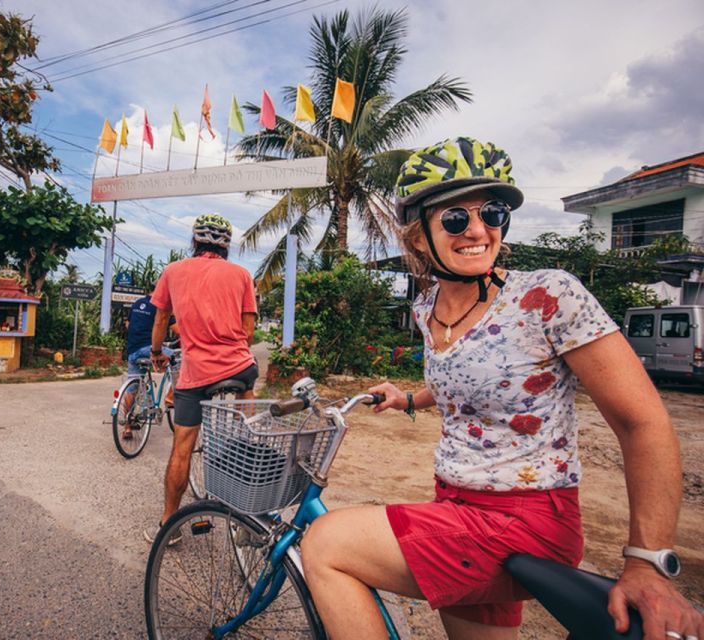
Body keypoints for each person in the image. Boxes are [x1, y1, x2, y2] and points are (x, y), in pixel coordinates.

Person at [300, 137, 702, 640]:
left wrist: (647, 563)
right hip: (456, 507)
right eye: (455, 218)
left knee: (326, 543)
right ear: (419, 237)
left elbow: (642, 422)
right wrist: (409, 399)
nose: (477, 230)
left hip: (525, 520)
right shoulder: (426, 308)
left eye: (492, 213)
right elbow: (468, 379)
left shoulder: (547, 295)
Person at [143, 213, 258, 544]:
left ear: (195, 240)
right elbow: (248, 331)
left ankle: (170, 525)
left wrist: (157, 352)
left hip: (198, 374)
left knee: (182, 447)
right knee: (244, 427)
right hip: (240, 368)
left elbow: (161, 319)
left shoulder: (173, 271)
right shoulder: (242, 275)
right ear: (226, 245)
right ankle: (244, 445)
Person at [121, 287, 177, 439]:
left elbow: (128, 324)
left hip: (132, 351)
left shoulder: (137, 303)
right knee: (178, 358)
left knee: (131, 389)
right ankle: (171, 396)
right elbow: (177, 329)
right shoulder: (161, 307)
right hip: (148, 349)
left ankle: (127, 427)